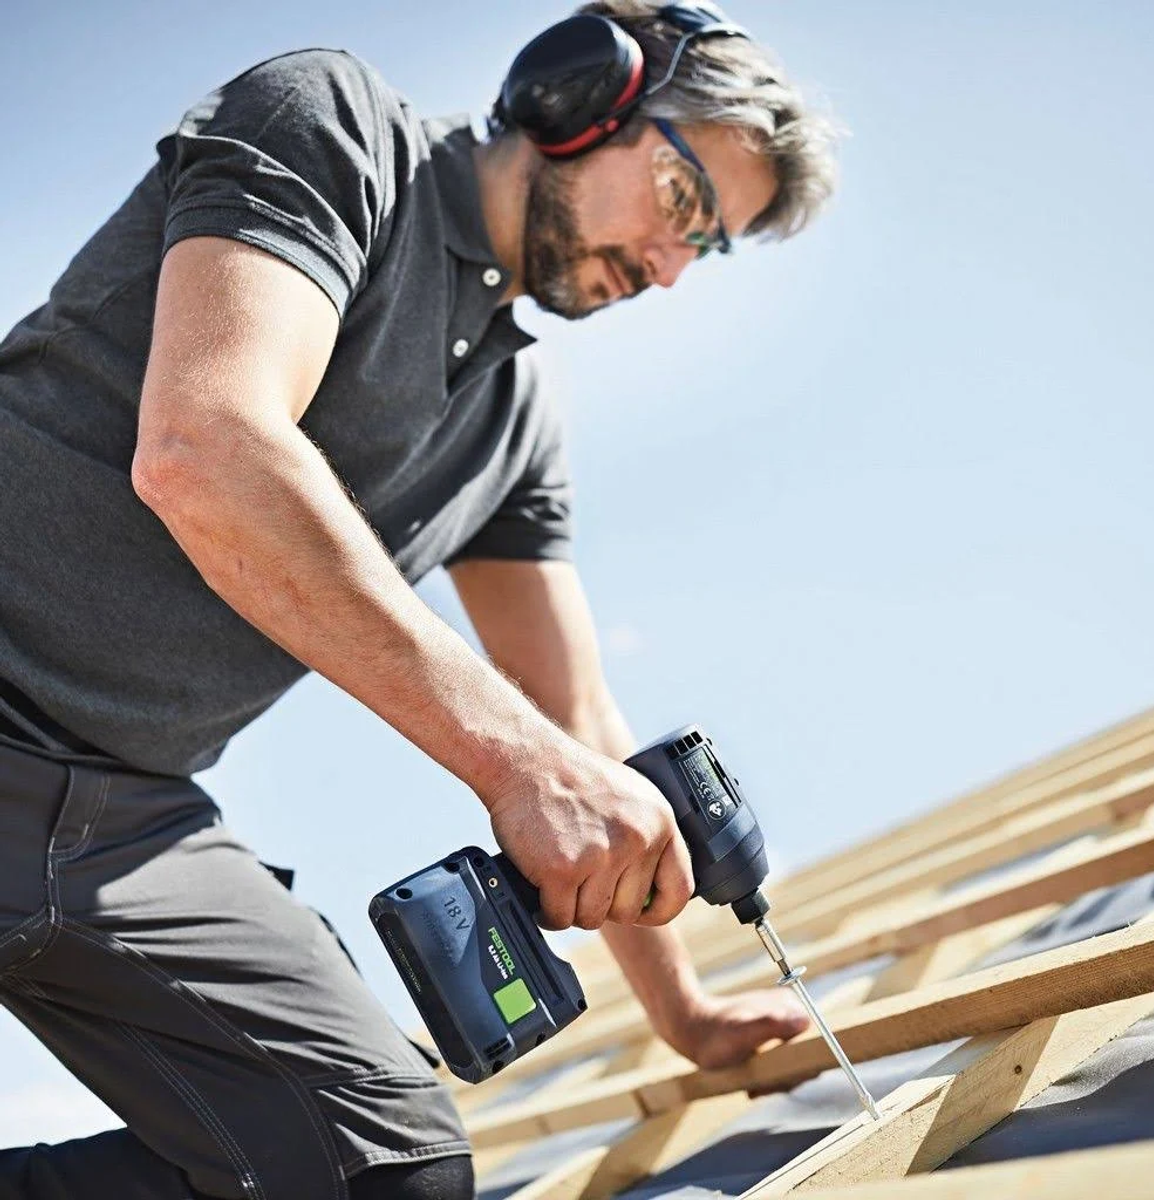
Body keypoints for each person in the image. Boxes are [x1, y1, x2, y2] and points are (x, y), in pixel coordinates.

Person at [0, 2, 838, 1197]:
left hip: (127, 817)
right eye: (685, 204)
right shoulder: (332, 128)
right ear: (579, 96)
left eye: (705, 252)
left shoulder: (515, 424)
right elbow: (207, 449)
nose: (668, 268)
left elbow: (577, 727)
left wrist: (686, 1013)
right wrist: (520, 769)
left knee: (382, 1166)